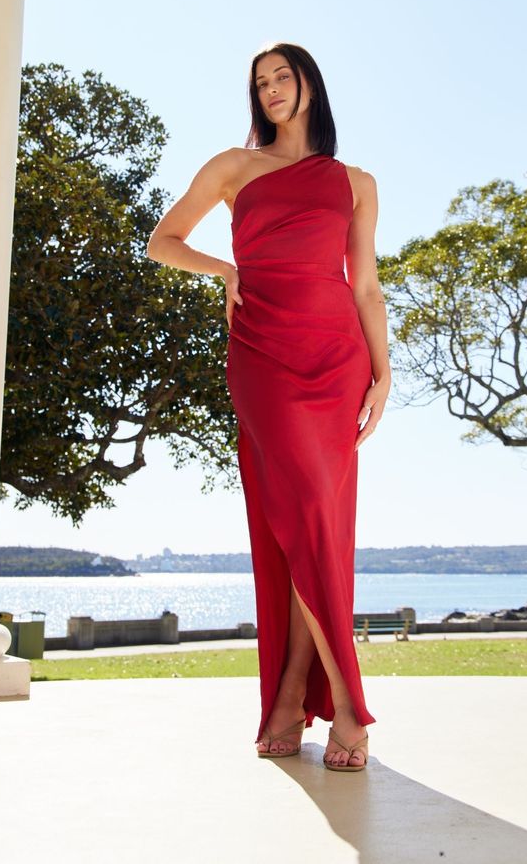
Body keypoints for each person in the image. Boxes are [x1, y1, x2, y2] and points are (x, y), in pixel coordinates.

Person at [147, 42, 390, 771]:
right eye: (262, 82)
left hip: (336, 355)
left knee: (307, 521)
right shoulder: (233, 166)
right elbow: (162, 240)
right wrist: (223, 267)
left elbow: (366, 284)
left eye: (284, 76)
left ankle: (290, 689)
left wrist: (383, 371)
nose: (273, 88)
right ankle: (347, 702)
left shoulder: (355, 181)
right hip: (262, 353)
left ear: (310, 85)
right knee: (298, 513)